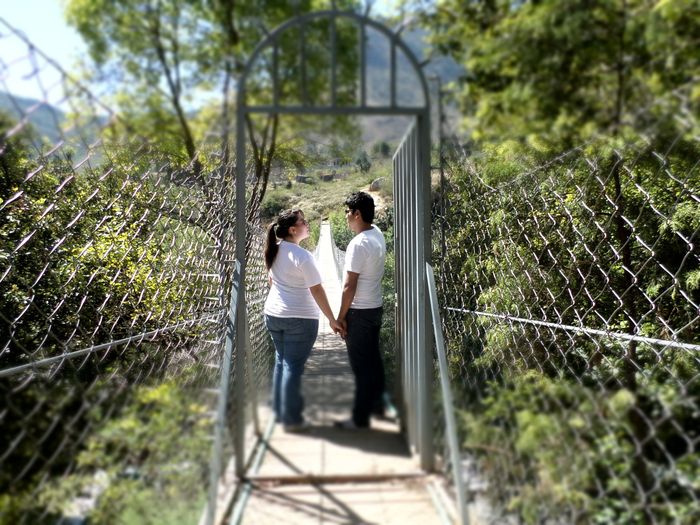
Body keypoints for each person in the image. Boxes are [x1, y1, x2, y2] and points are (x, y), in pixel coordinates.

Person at [264, 209, 343, 432]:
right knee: (292, 366)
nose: (307, 224)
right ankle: (291, 420)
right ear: (292, 229)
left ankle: (280, 412)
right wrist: (332, 319)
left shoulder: (274, 249)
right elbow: (317, 289)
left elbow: (272, 281)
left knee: (282, 361)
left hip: (273, 315)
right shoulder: (303, 256)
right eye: (303, 222)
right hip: (299, 319)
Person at [335, 191, 387, 429]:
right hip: (375, 307)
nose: (346, 216)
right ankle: (378, 405)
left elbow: (349, 286)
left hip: (358, 311)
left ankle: (360, 418)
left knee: (361, 366)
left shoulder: (357, 244)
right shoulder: (377, 233)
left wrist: (340, 317)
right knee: (373, 360)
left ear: (357, 214)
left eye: (348, 212)